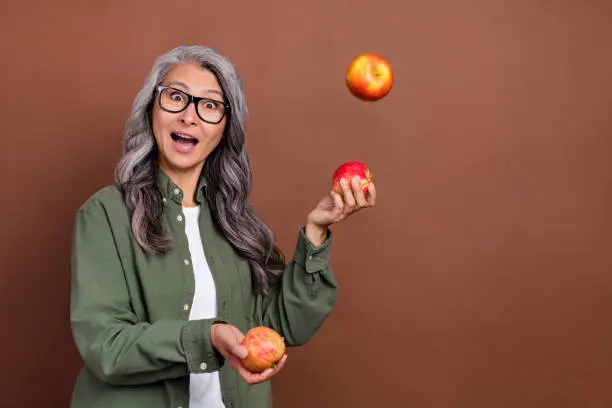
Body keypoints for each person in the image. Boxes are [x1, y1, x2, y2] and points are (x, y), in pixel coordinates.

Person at [69, 45, 377, 408]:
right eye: (176, 97)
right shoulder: (104, 214)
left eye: (210, 105)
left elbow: (285, 325)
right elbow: (106, 345)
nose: (189, 116)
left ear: (226, 127)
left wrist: (316, 231)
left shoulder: (236, 221)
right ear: (151, 108)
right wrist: (208, 337)